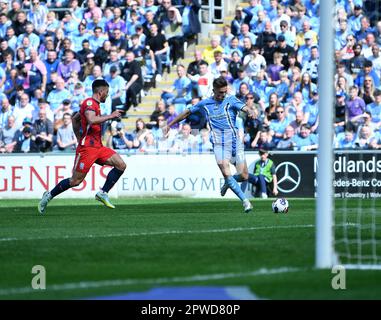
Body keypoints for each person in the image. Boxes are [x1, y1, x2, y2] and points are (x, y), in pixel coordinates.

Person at [164, 76, 256, 213]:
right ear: (213, 90)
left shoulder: (231, 99)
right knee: (226, 171)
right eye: (220, 92)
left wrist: (250, 111)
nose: (222, 95)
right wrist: (170, 124)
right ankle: (245, 202)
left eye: (224, 92)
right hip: (219, 143)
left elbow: (245, 108)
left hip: (235, 142)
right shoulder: (205, 103)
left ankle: (229, 182)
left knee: (244, 176)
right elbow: (187, 112)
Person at [38, 79, 126, 214]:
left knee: (121, 165)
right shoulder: (89, 103)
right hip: (87, 149)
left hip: (98, 147)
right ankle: (48, 196)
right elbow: (91, 119)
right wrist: (111, 116)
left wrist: (79, 137)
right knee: (75, 181)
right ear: (101, 92)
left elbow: (75, 119)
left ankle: (103, 193)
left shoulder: (94, 105)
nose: (107, 95)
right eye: (106, 92)